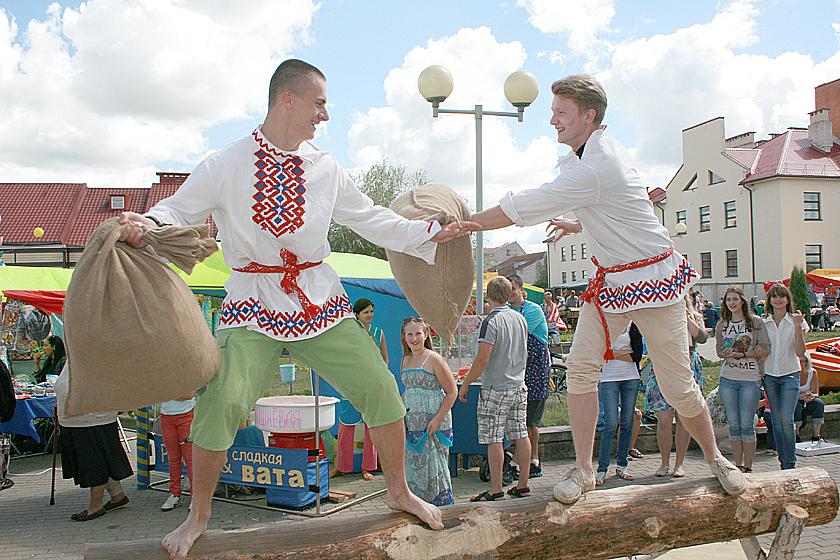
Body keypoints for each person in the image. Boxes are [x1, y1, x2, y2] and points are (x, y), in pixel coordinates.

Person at [118, 59, 472, 558]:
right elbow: (175, 209)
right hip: (253, 302)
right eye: (319, 102)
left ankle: (398, 491)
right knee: (221, 401)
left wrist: (431, 232)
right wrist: (146, 222)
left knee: (379, 385)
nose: (325, 115)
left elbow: (372, 220)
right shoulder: (227, 162)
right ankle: (198, 517)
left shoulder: (325, 168)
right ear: (288, 98)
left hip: (318, 298)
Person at [468, 73, 747, 504]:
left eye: (560, 113)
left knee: (677, 386)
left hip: (655, 281)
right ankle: (583, 472)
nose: (552, 121)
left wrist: (467, 225)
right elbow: (622, 205)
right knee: (580, 367)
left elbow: (524, 205)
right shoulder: (590, 156)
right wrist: (580, 223)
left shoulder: (596, 164)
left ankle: (715, 459)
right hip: (613, 282)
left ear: (588, 115)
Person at [459, 276, 531, 500]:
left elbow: (482, 359)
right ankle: (523, 484)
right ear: (509, 294)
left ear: (488, 295)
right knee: (521, 434)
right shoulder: (520, 318)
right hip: (518, 385)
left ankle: (496, 489)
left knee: (494, 438)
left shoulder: (490, 322)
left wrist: (467, 382)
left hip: (495, 387)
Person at [54, 364, 132, 521]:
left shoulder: (92, 353)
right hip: (81, 417)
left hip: (90, 418)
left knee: (94, 461)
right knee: (101, 459)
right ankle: (117, 495)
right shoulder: (78, 353)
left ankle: (95, 506)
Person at [647, 296, 708, 478]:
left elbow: (703, 338)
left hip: (687, 362)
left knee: (684, 418)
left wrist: (688, 319)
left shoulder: (695, 315)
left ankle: (679, 464)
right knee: (664, 420)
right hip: (664, 362)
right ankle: (664, 462)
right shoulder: (659, 313)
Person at [400, 316, 457, 505]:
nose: (414, 338)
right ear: (404, 337)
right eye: (410, 334)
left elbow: (451, 392)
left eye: (418, 333)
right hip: (411, 424)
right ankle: (418, 506)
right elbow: (408, 391)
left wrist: (437, 420)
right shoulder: (406, 360)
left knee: (435, 468)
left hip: (433, 424)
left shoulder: (434, 359)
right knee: (414, 467)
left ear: (425, 335)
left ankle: (441, 508)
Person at [715, 286, 770, 473]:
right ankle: (737, 464)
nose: (731, 303)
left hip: (750, 378)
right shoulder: (722, 324)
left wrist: (743, 354)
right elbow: (719, 351)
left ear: (742, 301)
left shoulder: (755, 322)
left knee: (747, 423)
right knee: (734, 424)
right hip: (728, 378)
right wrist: (726, 353)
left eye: (735, 299)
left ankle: (749, 465)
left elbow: (764, 348)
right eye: (728, 300)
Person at [330, 298, 385, 480]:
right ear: (357, 314)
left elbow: (384, 359)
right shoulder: (349, 333)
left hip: (372, 386)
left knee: (371, 427)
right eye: (366, 312)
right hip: (351, 385)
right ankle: (341, 466)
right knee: (346, 425)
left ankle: (368, 466)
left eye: (371, 311)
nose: (370, 315)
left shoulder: (378, 332)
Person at [507, 274, 551, 478]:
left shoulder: (532, 310)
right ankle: (524, 458)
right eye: (507, 289)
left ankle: (532, 460)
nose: (510, 293)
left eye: (513, 288)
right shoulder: (507, 311)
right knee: (519, 418)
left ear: (521, 290)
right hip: (517, 370)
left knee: (531, 420)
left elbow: (516, 335)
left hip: (535, 370)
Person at [762, 283, 808, 469]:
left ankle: (790, 464)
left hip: (790, 374)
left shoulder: (797, 321)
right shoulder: (764, 323)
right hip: (770, 375)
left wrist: (797, 327)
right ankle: (783, 460)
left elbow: (800, 352)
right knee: (777, 419)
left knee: (786, 420)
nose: (778, 300)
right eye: (774, 297)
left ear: (788, 299)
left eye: (782, 296)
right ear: (770, 300)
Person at [595, 322, 642, 485]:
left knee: (627, 423)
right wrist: (624, 353)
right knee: (610, 424)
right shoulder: (604, 324)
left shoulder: (633, 325)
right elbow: (600, 352)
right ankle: (602, 469)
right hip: (609, 379)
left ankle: (622, 465)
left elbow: (637, 354)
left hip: (631, 377)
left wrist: (613, 353)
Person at [160, 391, 197, 511]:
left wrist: (166, 395)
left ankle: (195, 495)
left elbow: (189, 394)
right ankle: (174, 494)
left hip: (186, 416)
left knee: (190, 459)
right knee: (173, 459)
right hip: (166, 417)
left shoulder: (186, 373)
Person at [794, 354, 825, 448]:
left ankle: (816, 435)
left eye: (802, 362)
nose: (800, 364)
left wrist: (810, 396)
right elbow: (789, 394)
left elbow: (816, 393)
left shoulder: (813, 372)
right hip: (796, 400)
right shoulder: (792, 374)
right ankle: (796, 435)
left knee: (819, 403)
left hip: (807, 399)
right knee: (796, 405)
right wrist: (801, 397)